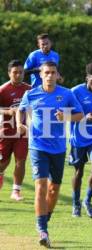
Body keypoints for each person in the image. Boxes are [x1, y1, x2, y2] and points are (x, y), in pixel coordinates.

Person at [16, 61, 83, 247]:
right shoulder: (31, 94)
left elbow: (80, 115)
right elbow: (20, 110)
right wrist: (20, 124)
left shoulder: (66, 94)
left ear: (57, 75)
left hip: (59, 148)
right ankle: (42, 230)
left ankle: (45, 219)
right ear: (41, 75)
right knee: (41, 186)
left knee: (54, 190)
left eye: (53, 72)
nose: (50, 76)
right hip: (38, 146)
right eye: (46, 73)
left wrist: (67, 117)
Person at [69, 62, 92, 218]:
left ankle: (88, 200)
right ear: (87, 78)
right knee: (79, 171)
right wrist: (84, 117)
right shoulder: (75, 92)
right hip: (78, 138)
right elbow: (67, 112)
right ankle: (75, 203)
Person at [0, 60, 31, 200]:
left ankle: (16, 191)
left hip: (22, 132)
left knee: (21, 160)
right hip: (5, 131)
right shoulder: (3, 90)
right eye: (15, 72)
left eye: (21, 72)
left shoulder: (29, 89)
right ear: (9, 73)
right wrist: (8, 112)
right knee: (3, 163)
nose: (18, 75)